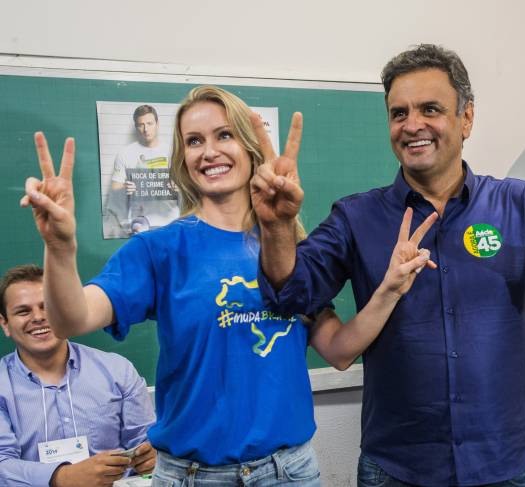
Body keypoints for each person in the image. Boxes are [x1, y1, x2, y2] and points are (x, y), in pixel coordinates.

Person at [250, 44, 525, 486]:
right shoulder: (355, 218)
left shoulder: (519, 205)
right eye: (399, 113)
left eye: (430, 109)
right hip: (396, 471)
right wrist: (278, 227)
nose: (412, 125)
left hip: (502, 467)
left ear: (466, 118)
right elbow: (289, 295)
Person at [20, 85, 436, 486]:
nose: (210, 151)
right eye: (194, 141)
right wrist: (59, 247)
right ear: (182, 159)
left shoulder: (291, 248)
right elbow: (72, 319)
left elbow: (341, 351)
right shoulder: (159, 249)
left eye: (225, 135)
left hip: (286, 473)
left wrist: (391, 288)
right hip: (192, 475)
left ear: (250, 147)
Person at [0, 264, 156, 487]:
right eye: (23, 311)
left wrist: (151, 457)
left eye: (48, 307)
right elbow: (2, 464)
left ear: (65, 311)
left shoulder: (117, 371)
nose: (38, 317)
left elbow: (146, 443)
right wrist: (61, 477)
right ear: (5, 323)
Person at [105, 104, 179, 236]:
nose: (146, 129)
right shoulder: (125, 153)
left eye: (150, 123)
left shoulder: (173, 151)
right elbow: (115, 188)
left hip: (171, 221)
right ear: (136, 127)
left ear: (157, 124)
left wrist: (179, 187)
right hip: (139, 224)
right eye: (141, 125)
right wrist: (125, 188)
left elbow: (189, 185)